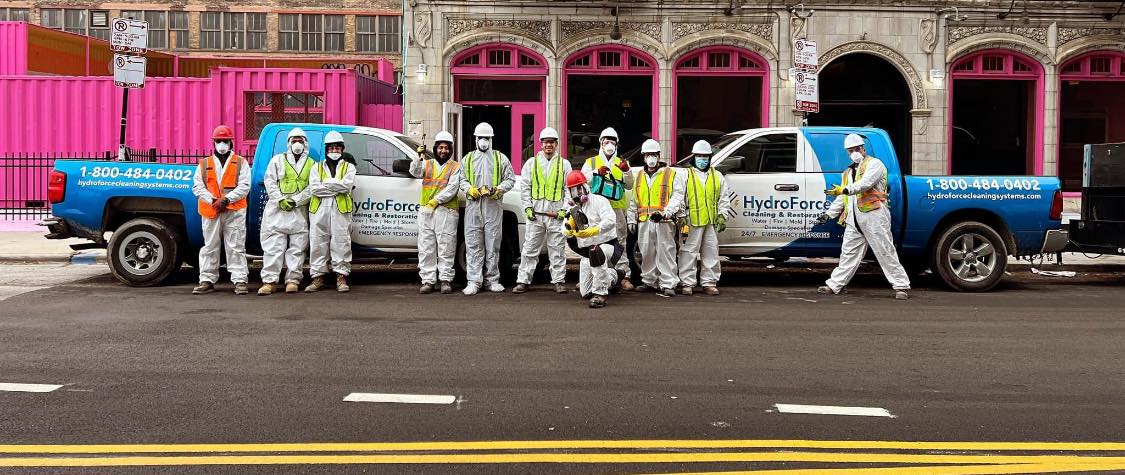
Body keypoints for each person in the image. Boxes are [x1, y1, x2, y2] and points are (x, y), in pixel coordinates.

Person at [817, 133, 911, 300]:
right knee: (848, 253)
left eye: (857, 149)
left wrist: (844, 190)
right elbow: (843, 197)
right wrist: (828, 214)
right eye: (851, 150)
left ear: (863, 149)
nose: (854, 152)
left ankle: (901, 285)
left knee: (885, 250)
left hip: (874, 215)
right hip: (853, 219)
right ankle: (835, 284)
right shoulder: (847, 173)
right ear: (847, 152)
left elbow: (864, 185)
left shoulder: (875, 164)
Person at [191, 125, 251, 295]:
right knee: (210, 246)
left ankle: (240, 280)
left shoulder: (241, 162)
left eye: (225, 141)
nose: (222, 144)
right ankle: (206, 280)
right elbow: (197, 187)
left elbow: (245, 186)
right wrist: (212, 201)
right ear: (214, 143)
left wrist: (225, 200)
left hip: (233, 211)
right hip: (211, 211)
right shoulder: (204, 164)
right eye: (219, 141)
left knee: (236, 246)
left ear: (231, 143)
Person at [459, 122, 516, 295]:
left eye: (487, 138)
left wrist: (498, 189)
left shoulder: (500, 158)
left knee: (493, 244)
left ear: (491, 140)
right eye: (481, 138)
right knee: (473, 244)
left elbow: (510, 179)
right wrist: (470, 189)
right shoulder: (467, 159)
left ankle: (492, 280)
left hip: (493, 207)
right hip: (474, 207)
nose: (483, 141)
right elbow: (461, 179)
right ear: (476, 139)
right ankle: (474, 281)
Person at [514, 127, 572, 294]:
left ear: (556, 144)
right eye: (546, 142)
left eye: (552, 142)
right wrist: (527, 207)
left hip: (556, 215)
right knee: (530, 249)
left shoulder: (564, 164)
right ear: (540, 144)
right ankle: (523, 280)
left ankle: (559, 281)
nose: (549, 145)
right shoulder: (531, 164)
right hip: (536, 215)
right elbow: (525, 187)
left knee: (557, 249)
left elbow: (568, 190)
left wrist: (564, 210)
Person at [258, 127, 314, 296]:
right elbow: (269, 181)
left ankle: (293, 280)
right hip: (277, 210)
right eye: (294, 140)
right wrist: (280, 199)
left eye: (300, 140)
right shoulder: (278, 160)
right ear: (288, 143)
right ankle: (269, 281)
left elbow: (313, 187)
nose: (297, 144)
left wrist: (296, 200)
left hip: (299, 211)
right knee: (274, 248)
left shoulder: (312, 164)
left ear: (306, 143)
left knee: (297, 248)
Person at [627, 139, 684, 298]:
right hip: (645, 221)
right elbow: (634, 199)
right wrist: (632, 218)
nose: (651, 158)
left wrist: (666, 212)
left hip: (664, 221)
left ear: (659, 156)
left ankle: (668, 283)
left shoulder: (670, 174)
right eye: (648, 155)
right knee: (647, 252)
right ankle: (649, 281)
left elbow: (677, 196)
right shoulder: (639, 176)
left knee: (666, 251)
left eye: (654, 155)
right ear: (643, 157)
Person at [581, 127, 635, 290]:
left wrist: (626, 171)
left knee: (620, 243)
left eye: (612, 141)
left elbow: (630, 185)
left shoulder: (622, 163)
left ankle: (623, 276)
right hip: (595, 211)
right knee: (594, 242)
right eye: (606, 141)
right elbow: (582, 181)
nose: (609, 144)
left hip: (616, 210)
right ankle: (590, 276)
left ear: (617, 144)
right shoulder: (591, 162)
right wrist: (596, 172)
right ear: (601, 143)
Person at [677, 140, 731, 296]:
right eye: (700, 156)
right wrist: (681, 216)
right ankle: (687, 283)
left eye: (706, 156)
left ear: (710, 157)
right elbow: (679, 197)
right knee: (688, 251)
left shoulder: (717, 176)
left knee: (711, 252)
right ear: (694, 157)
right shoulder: (685, 175)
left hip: (710, 222)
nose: (703, 159)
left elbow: (724, 198)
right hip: (690, 220)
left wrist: (722, 215)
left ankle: (709, 282)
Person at [305, 131, 356, 293]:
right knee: (318, 243)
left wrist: (326, 183)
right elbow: (315, 189)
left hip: (341, 211)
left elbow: (346, 186)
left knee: (341, 242)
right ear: (326, 149)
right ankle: (317, 277)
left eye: (337, 148)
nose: (334, 151)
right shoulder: (316, 167)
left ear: (342, 149)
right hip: (319, 211)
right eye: (331, 148)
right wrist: (336, 185)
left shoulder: (349, 167)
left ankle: (341, 276)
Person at [412, 131, 461, 295]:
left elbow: (452, 189)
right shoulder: (427, 163)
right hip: (427, 212)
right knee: (426, 247)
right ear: (435, 148)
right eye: (440, 147)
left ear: (450, 149)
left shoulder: (456, 166)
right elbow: (415, 172)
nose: (443, 151)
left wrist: (436, 201)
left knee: (446, 246)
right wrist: (418, 156)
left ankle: (445, 280)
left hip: (446, 211)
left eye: (446, 148)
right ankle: (427, 280)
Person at [563, 170, 620, 309]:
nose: (577, 193)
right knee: (585, 292)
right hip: (587, 252)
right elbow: (563, 227)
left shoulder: (599, 201)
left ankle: (600, 294)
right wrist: (568, 231)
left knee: (596, 251)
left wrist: (595, 230)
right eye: (573, 190)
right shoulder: (571, 208)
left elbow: (611, 220)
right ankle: (613, 276)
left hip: (607, 245)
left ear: (585, 186)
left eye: (579, 188)